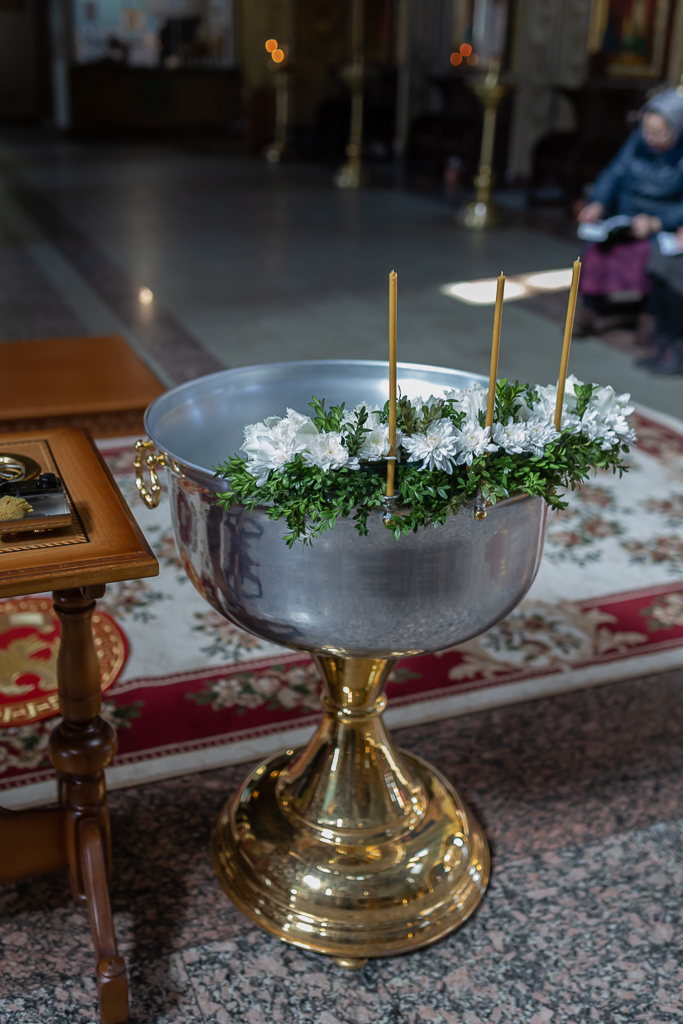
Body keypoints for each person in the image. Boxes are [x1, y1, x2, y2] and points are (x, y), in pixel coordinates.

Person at [576, 88, 683, 343]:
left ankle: (650, 316)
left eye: (660, 133)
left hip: (661, 224)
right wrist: (598, 203)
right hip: (625, 217)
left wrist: (656, 223)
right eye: (647, 130)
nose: (650, 138)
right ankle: (589, 309)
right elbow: (613, 174)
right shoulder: (637, 142)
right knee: (596, 248)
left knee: (657, 258)